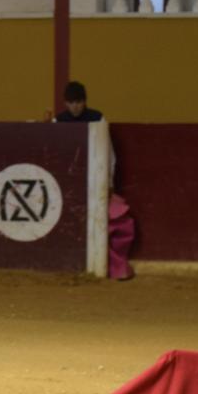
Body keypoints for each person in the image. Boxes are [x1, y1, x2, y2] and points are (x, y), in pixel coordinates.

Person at [48, 81, 132, 280]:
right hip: (68, 182)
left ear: (84, 102)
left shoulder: (97, 118)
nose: (75, 107)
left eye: (78, 102)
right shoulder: (58, 122)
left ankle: (101, 264)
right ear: (65, 103)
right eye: (71, 103)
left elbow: (108, 153)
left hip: (93, 179)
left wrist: (109, 181)